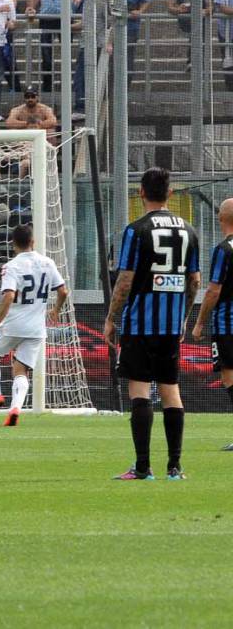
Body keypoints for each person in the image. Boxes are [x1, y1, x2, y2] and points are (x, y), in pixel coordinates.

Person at [104, 168, 200, 481]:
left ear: (141, 193)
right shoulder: (189, 230)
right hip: (171, 323)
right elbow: (194, 280)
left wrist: (111, 318)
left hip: (140, 324)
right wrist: (183, 316)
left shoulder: (136, 230)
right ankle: (175, 467)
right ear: (170, 193)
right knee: (171, 389)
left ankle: (143, 467)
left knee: (140, 391)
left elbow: (126, 279)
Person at [0, 223, 68, 427]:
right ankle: (15, 408)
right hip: (37, 327)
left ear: (13, 244)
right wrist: (56, 310)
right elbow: (63, 291)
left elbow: (9, 295)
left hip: (13, 324)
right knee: (21, 370)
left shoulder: (11, 266)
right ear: (33, 242)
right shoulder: (47, 262)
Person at [191, 198, 233, 450]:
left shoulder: (223, 249)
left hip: (227, 324)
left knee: (229, 375)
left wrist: (199, 323)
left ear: (220, 219)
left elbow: (213, 291)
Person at [29, 0, 81, 92]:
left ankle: (66, 88)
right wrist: (31, 7)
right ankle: (47, 89)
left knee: (66, 53)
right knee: (46, 55)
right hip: (46, 16)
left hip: (65, 16)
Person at [168, 0, 211, 70]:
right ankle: (193, 62)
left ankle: (194, 62)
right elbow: (170, 7)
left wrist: (204, 11)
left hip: (199, 20)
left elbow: (211, 7)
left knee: (199, 29)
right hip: (184, 19)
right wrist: (178, 9)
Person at [5, 86, 58, 157]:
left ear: (37, 97)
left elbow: (53, 121)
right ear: (24, 98)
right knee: (12, 131)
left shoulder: (45, 109)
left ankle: (48, 155)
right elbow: (9, 122)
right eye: (27, 97)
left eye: (33, 96)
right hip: (24, 137)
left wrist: (39, 124)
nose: (30, 99)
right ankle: (19, 157)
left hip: (41, 136)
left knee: (51, 131)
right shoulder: (17, 110)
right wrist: (27, 123)